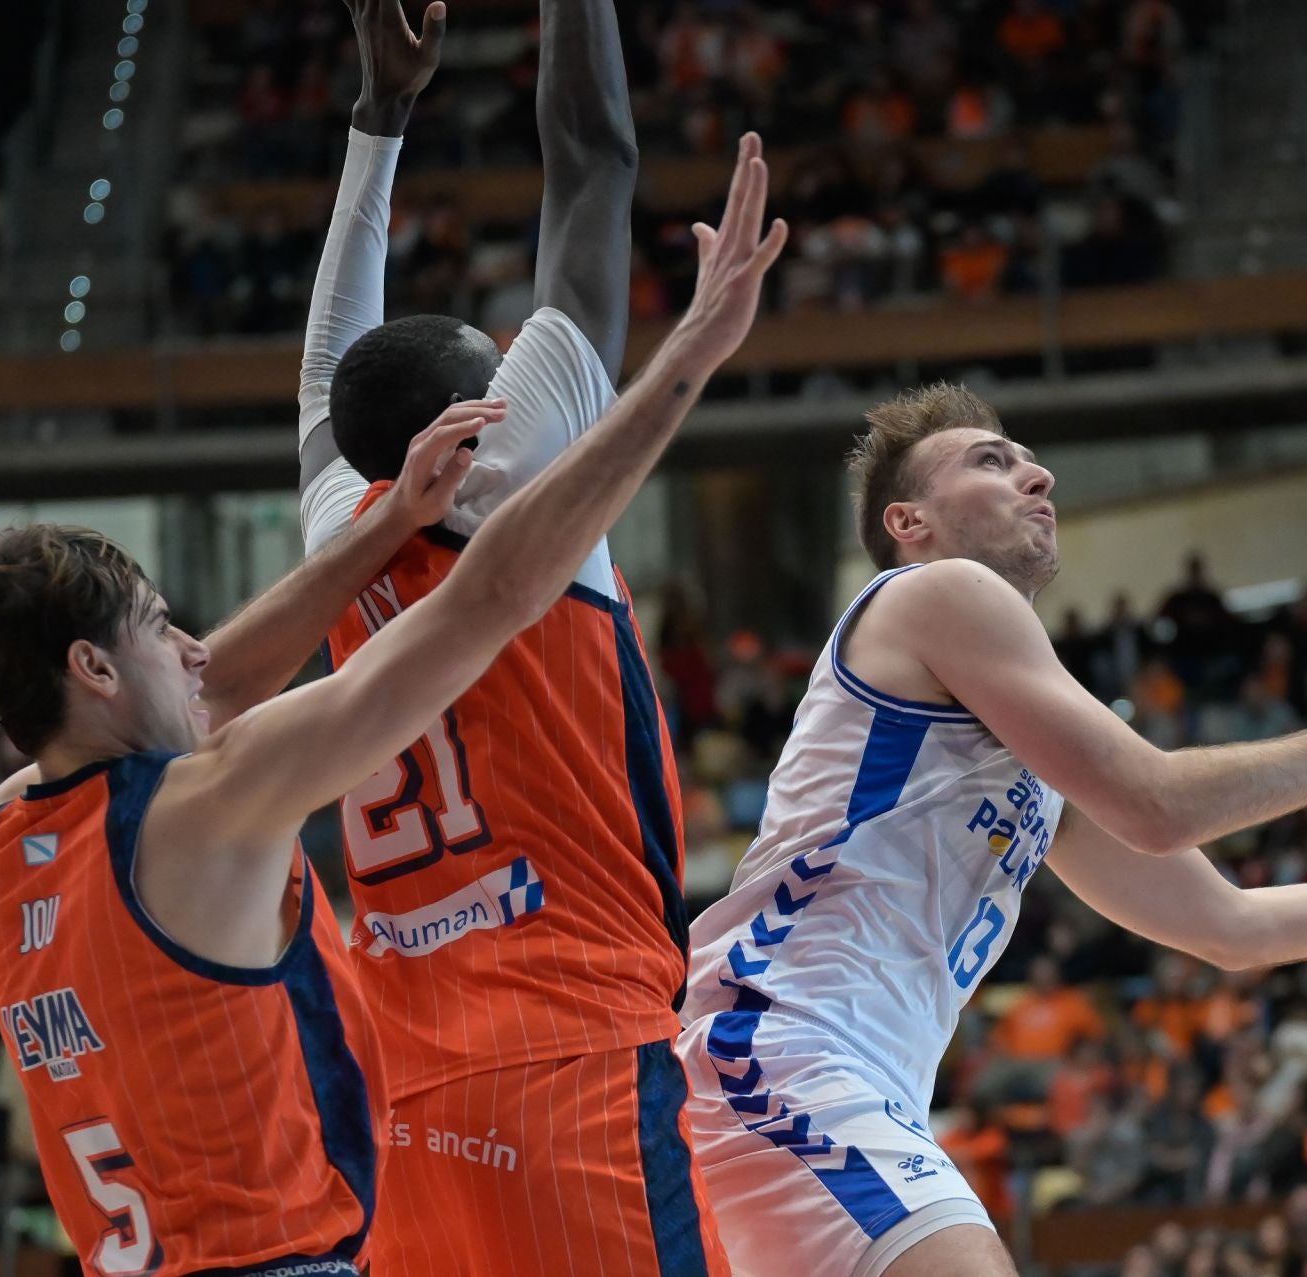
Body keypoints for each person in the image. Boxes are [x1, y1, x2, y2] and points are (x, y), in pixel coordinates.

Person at [0, 131, 783, 1277]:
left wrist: (380, 526)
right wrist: (691, 352)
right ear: (91, 667)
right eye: (159, 625)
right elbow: (494, 593)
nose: (193, 646)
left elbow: (215, 683)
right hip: (299, 1249)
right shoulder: (207, 802)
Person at [678, 382, 1307, 1277]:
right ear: (908, 523)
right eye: (994, 461)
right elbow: (1158, 802)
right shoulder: (933, 592)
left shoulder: (1030, 755)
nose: (1037, 476)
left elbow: (1233, 928)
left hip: (845, 1073)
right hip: (782, 1042)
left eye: (1030, 462)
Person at [293, 4, 785, 1271]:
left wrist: (379, 116)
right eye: (495, 365)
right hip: (573, 1055)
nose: (520, 358)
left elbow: (330, 367)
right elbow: (595, 159)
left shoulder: (335, 514)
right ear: (468, 423)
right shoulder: (520, 459)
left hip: (410, 1084)